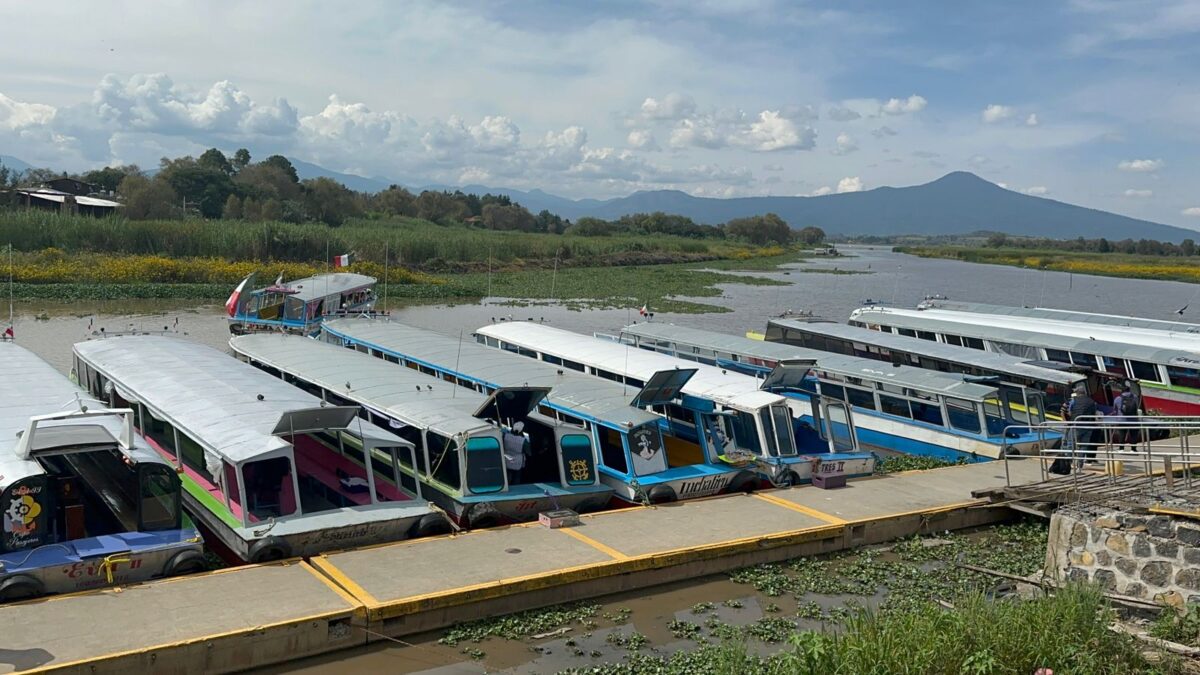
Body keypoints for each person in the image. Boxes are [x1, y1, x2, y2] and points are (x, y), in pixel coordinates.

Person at [1070, 386, 1099, 469]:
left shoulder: (1074, 400)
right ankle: (1080, 464)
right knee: (1083, 445)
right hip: (1088, 425)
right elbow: (1094, 413)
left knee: (1071, 443)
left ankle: (1067, 462)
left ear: (1078, 393)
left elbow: (1070, 411)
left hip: (1076, 424)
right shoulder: (1092, 401)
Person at [1111, 386, 1141, 451]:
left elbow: (1115, 409)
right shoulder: (1135, 397)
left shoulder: (1117, 399)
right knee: (1133, 434)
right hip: (1133, 419)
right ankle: (1133, 449)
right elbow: (1137, 406)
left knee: (1122, 434)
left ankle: (1121, 449)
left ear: (1121, 391)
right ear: (1129, 390)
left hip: (1122, 420)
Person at [503, 421, 531, 486]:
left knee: (508, 475)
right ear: (521, 430)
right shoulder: (523, 440)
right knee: (517, 477)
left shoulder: (505, 436)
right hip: (518, 462)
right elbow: (528, 452)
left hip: (506, 459)